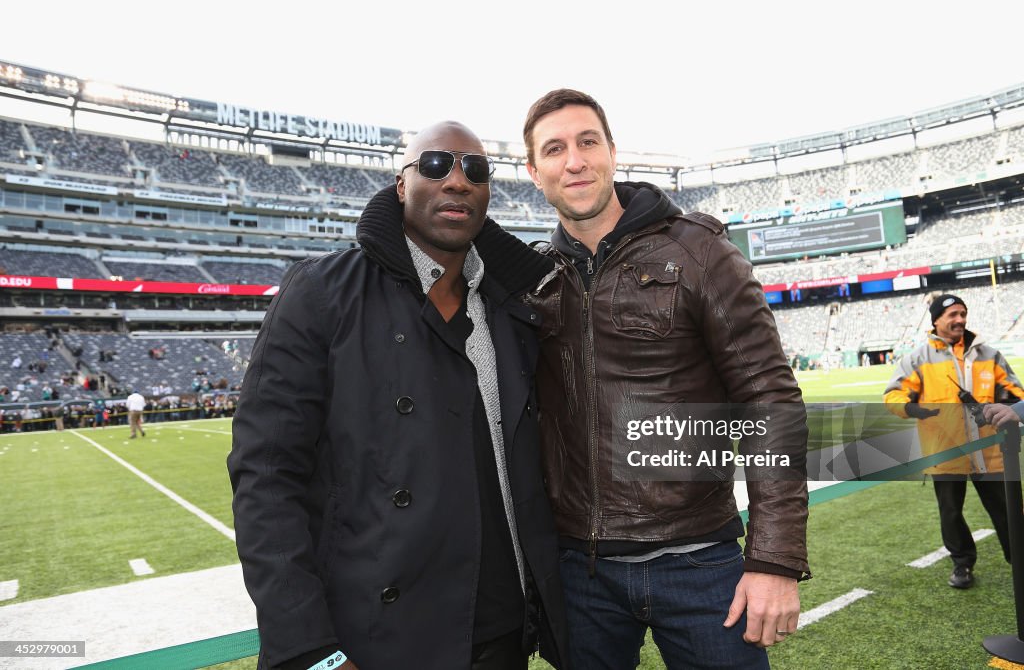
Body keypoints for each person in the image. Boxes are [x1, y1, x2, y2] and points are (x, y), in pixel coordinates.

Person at [477, 89, 810, 669]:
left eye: (587, 142)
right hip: (580, 573)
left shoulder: (701, 252)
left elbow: (771, 402)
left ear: (611, 150)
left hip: (700, 562)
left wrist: (775, 559)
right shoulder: (533, 279)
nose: (574, 161)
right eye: (554, 150)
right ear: (533, 172)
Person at [228, 121, 568, 670]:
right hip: (378, 635)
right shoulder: (321, 293)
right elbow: (265, 475)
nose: (457, 181)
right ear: (401, 185)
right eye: (435, 165)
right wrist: (310, 649)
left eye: (475, 170)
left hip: (504, 635)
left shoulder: (513, 305)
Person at [884, 293, 1021, 589]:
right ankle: (962, 564)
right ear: (936, 321)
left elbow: (1016, 392)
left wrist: (1006, 403)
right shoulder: (918, 358)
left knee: (1009, 510)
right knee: (950, 512)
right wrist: (911, 408)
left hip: (992, 451)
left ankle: (1020, 560)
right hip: (945, 452)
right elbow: (892, 395)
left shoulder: (989, 354)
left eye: (963, 313)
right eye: (952, 315)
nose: (960, 319)